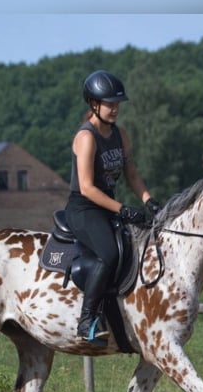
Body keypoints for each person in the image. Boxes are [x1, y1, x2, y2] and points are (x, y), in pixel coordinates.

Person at [65, 69, 162, 345]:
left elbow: (131, 173)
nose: (115, 108)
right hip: (83, 208)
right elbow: (87, 187)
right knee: (108, 254)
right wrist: (121, 209)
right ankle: (87, 320)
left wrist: (148, 201)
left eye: (117, 103)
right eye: (110, 103)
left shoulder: (121, 135)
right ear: (93, 104)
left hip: (107, 206)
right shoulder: (86, 137)